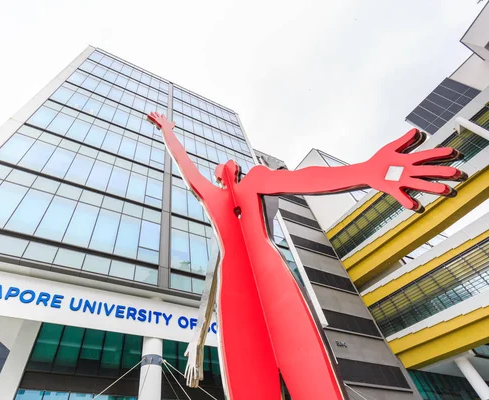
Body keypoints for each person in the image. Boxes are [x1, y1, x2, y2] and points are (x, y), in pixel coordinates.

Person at [147, 111, 465, 400]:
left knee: (314, 380)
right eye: (222, 173)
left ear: (235, 172)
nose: (225, 173)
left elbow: (307, 180)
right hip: (236, 300)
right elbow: (188, 175)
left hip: (274, 286)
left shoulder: (255, 182)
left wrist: (367, 172)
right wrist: (198, 342)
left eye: (228, 170)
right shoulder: (221, 205)